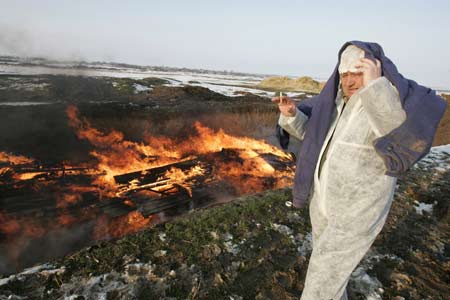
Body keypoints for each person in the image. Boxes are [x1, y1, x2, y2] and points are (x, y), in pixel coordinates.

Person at [273, 41, 447, 300]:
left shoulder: (386, 102)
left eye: (358, 73)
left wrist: (376, 87)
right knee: (331, 277)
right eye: (345, 75)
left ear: (374, 70)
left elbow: (397, 138)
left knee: (321, 281)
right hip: (323, 204)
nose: (350, 81)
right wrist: (292, 115)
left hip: (357, 211)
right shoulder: (338, 105)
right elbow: (314, 137)